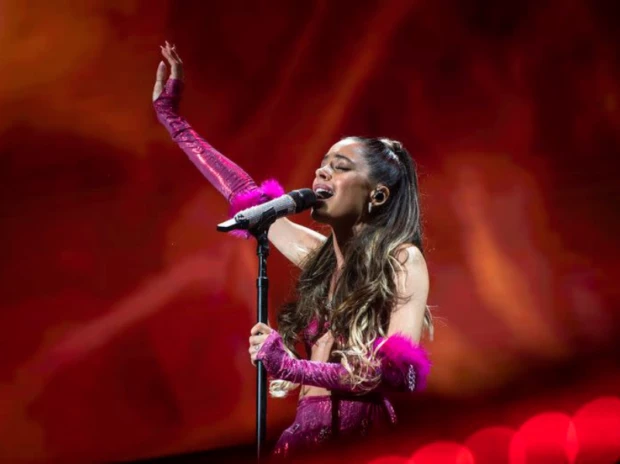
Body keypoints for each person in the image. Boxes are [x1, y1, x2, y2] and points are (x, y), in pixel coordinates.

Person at [153, 42, 433, 459]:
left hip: (359, 437)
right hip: (302, 438)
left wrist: (291, 367)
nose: (322, 170)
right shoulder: (322, 258)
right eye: (323, 163)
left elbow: (395, 373)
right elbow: (245, 195)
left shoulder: (402, 260)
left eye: (340, 167)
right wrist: (174, 122)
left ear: (376, 195)